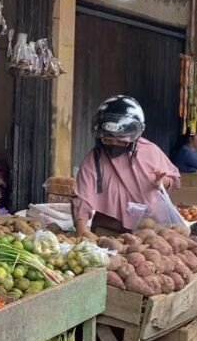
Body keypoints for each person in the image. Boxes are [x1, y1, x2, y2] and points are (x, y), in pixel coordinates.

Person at [72, 96, 181, 237]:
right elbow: (82, 197)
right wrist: (81, 230)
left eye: (121, 141)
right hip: (108, 228)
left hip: (149, 229)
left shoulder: (151, 151)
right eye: (108, 140)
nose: (114, 145)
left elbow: (175, 180)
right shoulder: (94, 158)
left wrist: (163, 181)